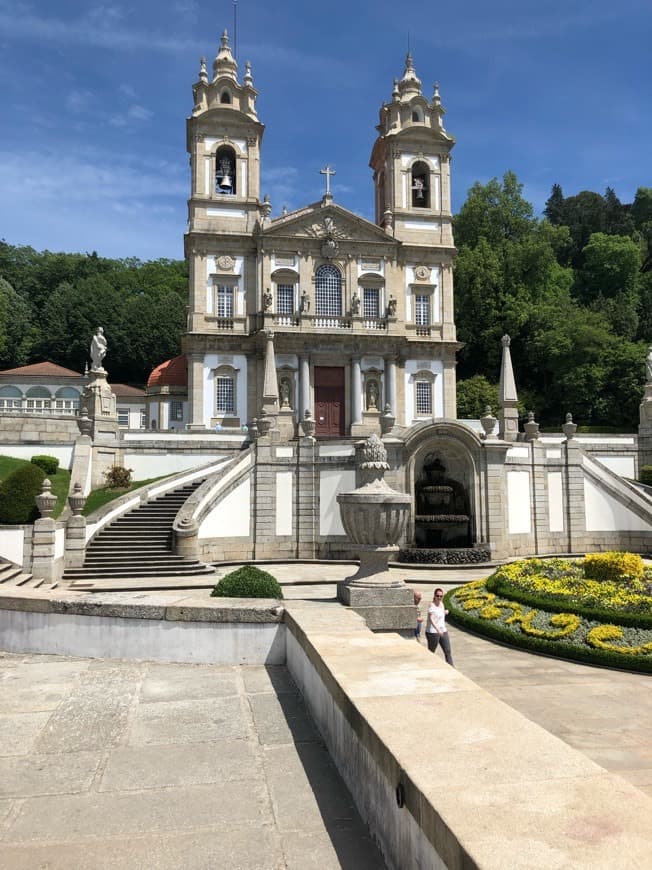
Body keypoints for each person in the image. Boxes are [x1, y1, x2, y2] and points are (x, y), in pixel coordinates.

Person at [426, 588, 454, 665]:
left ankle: (452, 668)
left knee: (447, 651)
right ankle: (428, 665)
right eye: (437, 596)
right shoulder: (431, 605)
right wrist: (437, 630)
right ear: (434, 596)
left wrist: (445, 612)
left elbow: (439, 615)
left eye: (441, 596)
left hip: (443, 631)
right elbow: (431, 618)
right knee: (431, 652)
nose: (439, 598)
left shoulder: (442, 604)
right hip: (433, 632)